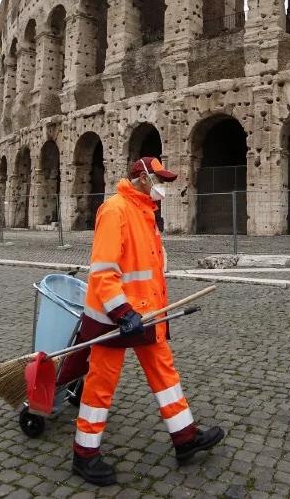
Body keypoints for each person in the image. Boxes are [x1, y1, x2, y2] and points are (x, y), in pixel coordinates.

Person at [70, 156, 225, 486]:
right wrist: (123, 313)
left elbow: (150, 267)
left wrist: (151, 311)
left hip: (149, 313)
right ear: (142, 179)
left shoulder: (146, 213)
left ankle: (184, 437)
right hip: (115, 318)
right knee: (100, 385)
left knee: (165, 375)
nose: (163, 188)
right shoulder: (115, 210)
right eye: (159, 181)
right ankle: (84, 454)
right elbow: (103, 271)